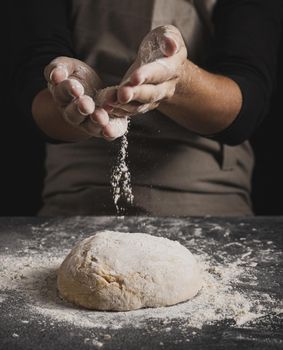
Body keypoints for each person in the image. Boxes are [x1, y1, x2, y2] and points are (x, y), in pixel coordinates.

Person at [11, 0, 282, 216]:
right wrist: (70, 100)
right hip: (78, 188)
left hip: (205, 192)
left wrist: (179, 82)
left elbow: (248, 104)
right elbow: (31, 88)